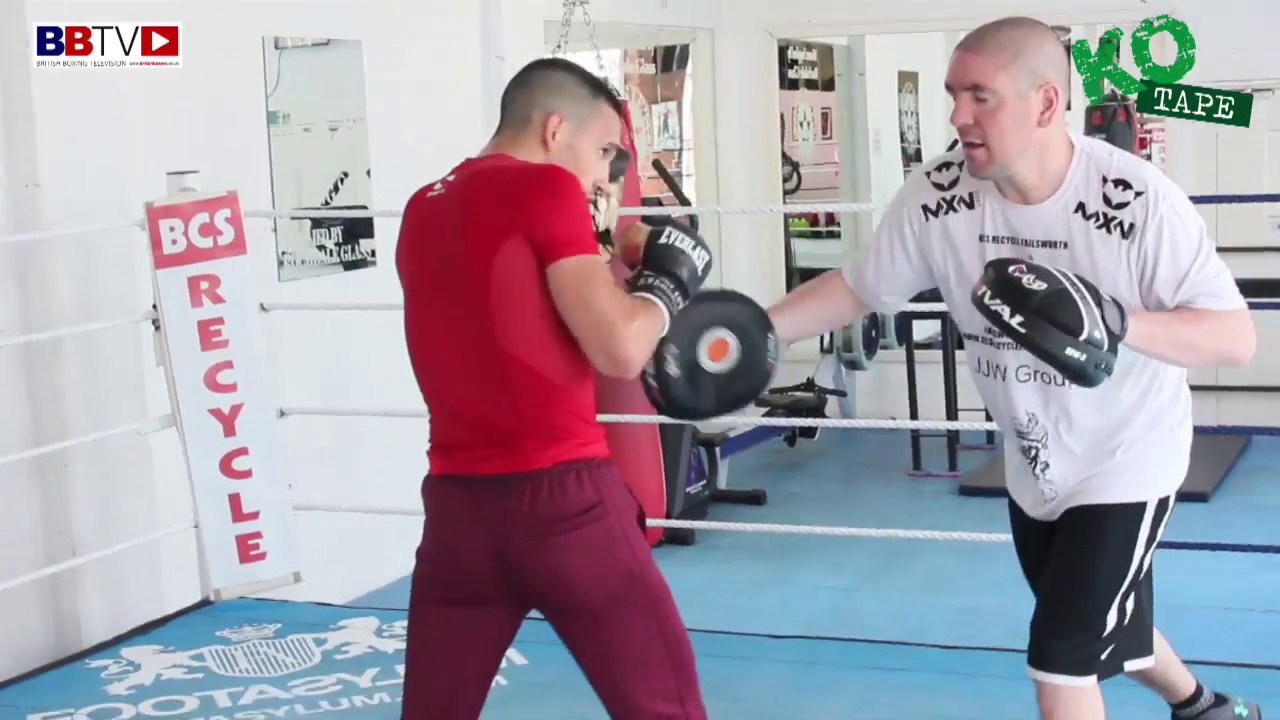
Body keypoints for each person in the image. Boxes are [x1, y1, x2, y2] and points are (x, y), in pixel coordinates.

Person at [766, 17, 1260, 720]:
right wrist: (754, 333)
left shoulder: (1137, 201)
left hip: (1128, 458)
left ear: (1046, 103)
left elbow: (1235, 338)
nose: (957, 116)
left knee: (1060, 659)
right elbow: (858, 287)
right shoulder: (938, 195)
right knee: (1098, 621)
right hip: (1034, 464)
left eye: (980, 96)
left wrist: (1116, 323)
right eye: (952, 95)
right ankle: (1204, 706)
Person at [394, 57, 714, 719]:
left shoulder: (422, 207)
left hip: (457, 515)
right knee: (665, 706)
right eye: (602, 152)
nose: (601, 178)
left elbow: (511, 319)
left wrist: (613, 258)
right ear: (554, 130)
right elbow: (620, 349)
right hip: (565, 504)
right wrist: (668, 287)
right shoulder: (544, 190)